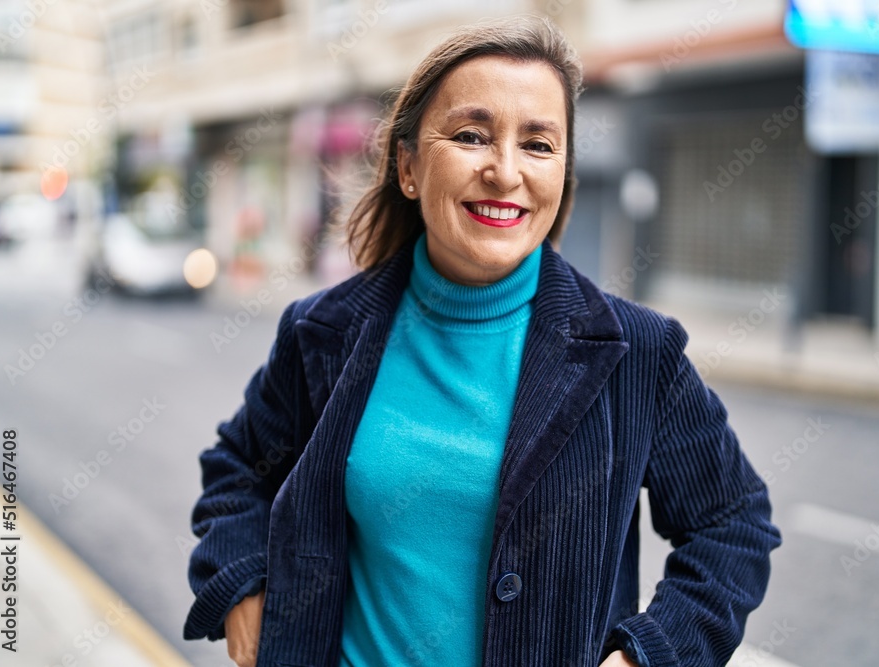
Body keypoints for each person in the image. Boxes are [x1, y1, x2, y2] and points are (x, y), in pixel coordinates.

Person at [184, 16, 781, 667]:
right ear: (408, 166)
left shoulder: (637, 354)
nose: (505, 171)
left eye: (539, 144)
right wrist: (241, 581)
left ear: (563, 173)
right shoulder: (322, 331)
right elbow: (237, 467)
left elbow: (733, 522)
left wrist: (648, 655)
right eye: (472, 136)